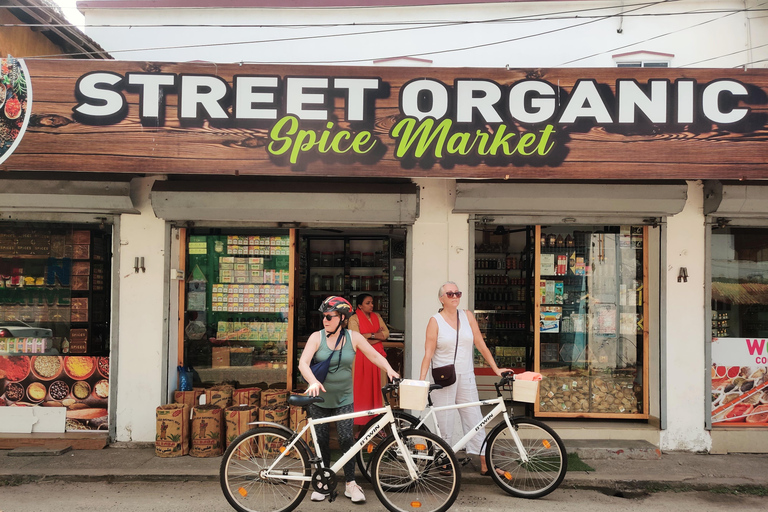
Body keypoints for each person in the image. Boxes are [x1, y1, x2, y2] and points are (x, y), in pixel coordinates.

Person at [299, 295, 399, 504]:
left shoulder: (353, 337)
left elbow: (373, 355)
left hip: (344, 398)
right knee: (322, 441)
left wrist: (389, 369)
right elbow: (303, 363)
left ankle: (351, 483)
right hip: (319, 398)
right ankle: (324, 481)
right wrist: (312, 382)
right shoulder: (317, 337)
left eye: (330, 316)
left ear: (342, 318)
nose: (325, 320)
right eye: (323, 316)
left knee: (347, 439)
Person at [418, 281, 510, 476]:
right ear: (441, 298)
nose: (455, 297)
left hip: (467, 376)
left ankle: (486, 463)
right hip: (444, 379)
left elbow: (480, 343)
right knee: (445, 421)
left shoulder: (467, 316)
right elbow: (428, 353)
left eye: (457, 293)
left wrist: (495, 368)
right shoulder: (435, 321)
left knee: (474, 418)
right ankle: (444, 460)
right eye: (450, 294)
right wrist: (421, 381)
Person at [348, 293, 390, 426]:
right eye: (368, 303)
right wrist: (377, 338)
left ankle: (378, 425)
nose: (372, 305)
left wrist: (370, 335)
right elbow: (357, 340)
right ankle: (361, 425)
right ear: (359, 305)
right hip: (361, 358)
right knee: (362, 390)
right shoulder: (353, 319)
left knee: (379, 389)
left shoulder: (376, 316)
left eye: (372, 302)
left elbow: (386, 334)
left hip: (378, 358)